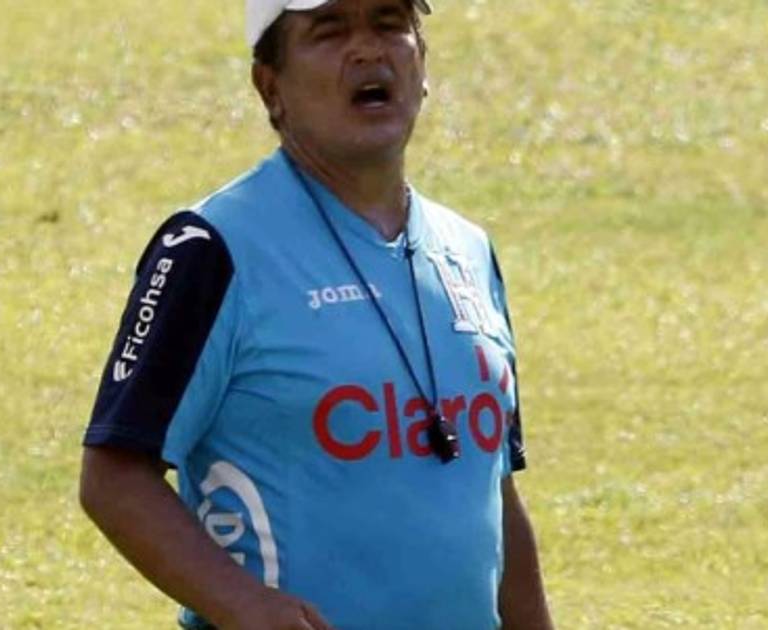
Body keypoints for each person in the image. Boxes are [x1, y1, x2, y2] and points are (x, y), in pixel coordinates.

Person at [77, 0, 553, 628]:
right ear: (269, 86)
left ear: (423, 61)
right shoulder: (210, 249)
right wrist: (245, 605)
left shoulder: (468, 250)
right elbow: (114, 475)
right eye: (330, 30)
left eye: (389, 23)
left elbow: (492, 491)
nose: (368, 50)